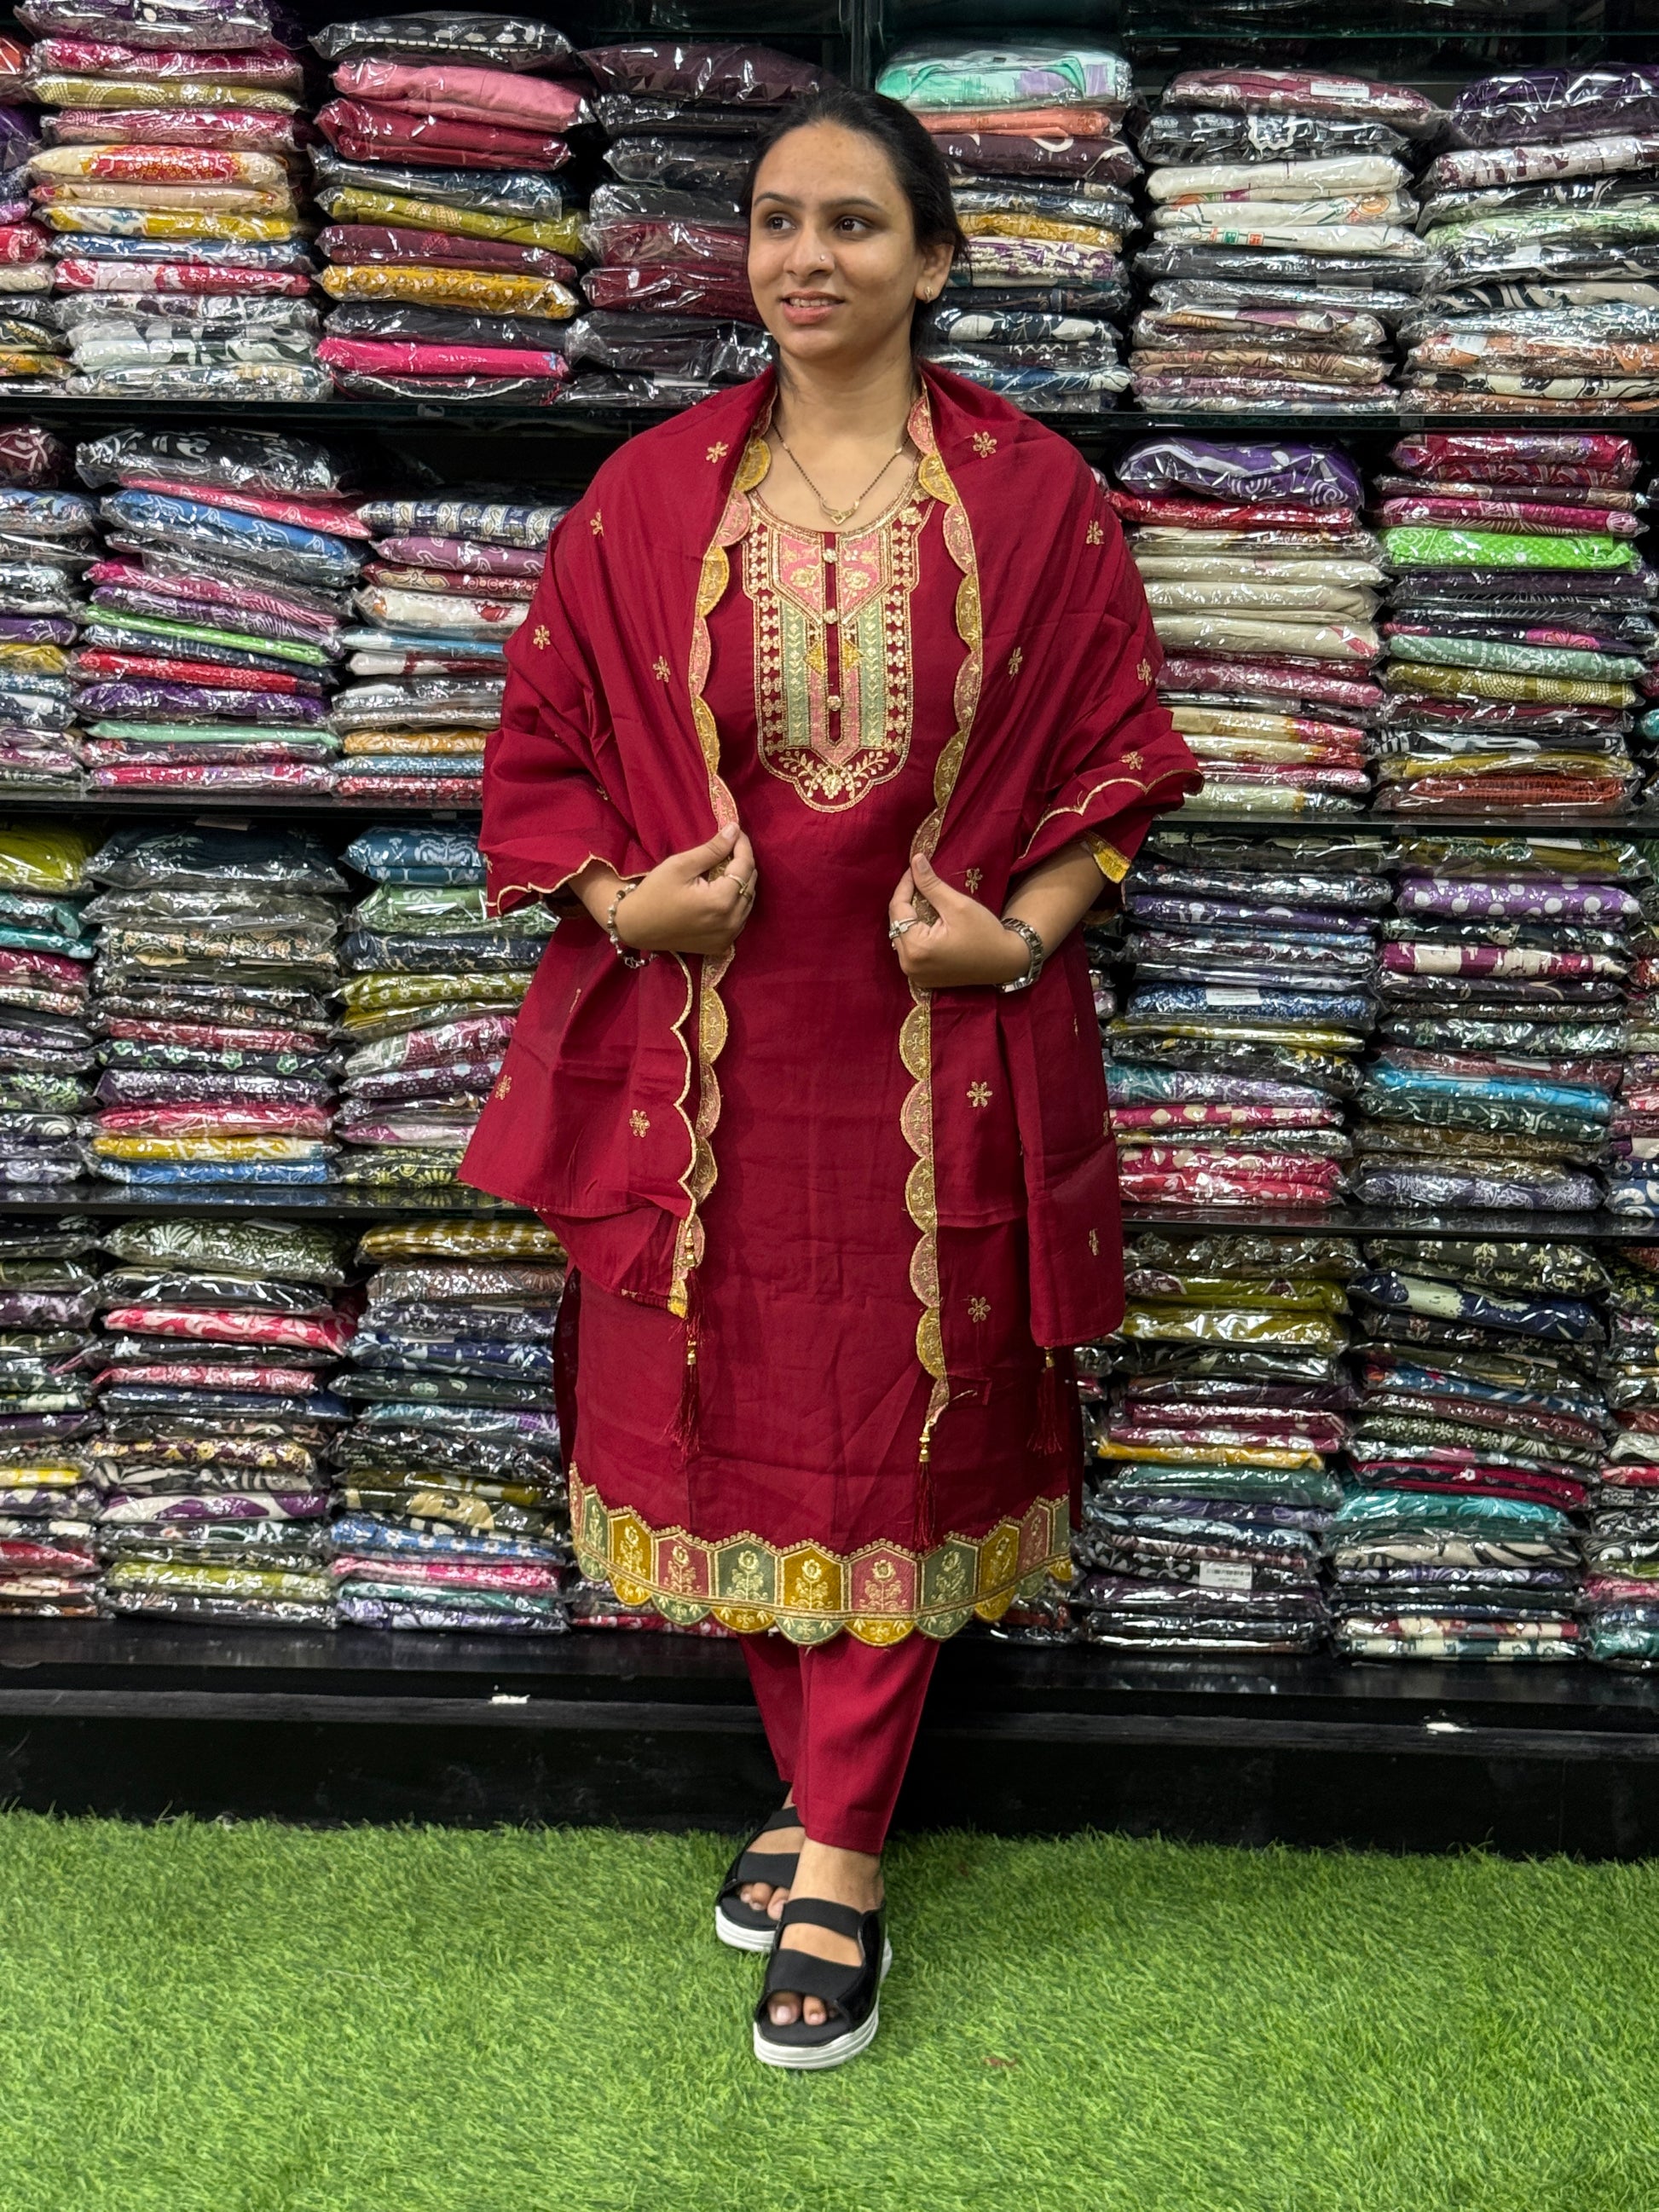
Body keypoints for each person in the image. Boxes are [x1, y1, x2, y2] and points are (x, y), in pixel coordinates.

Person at [464, 85, 1200, 2071]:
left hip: (938, 1060)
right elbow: (536, 752)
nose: (806, 256)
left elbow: (1121, 761)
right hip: (699, 1067)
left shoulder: (1037, 501)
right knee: (722, 1430)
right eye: (777, 220)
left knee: (904, 1441)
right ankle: (819, 1795)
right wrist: (623, 903)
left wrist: (1016, 937)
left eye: (855, 222)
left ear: (933, 259)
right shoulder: (647, 498)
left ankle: (843, 1855)